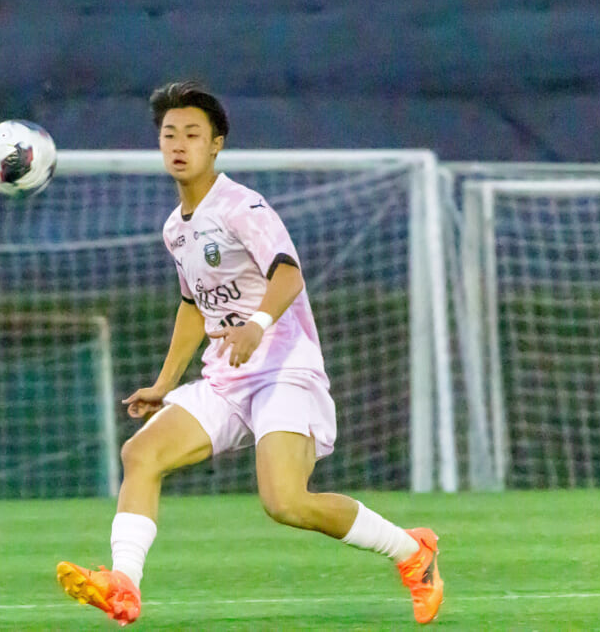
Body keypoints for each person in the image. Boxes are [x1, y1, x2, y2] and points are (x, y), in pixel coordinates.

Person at [56, 81, 443, 626]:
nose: (179, 144)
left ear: (216, 144)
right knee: (141, 454)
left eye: (192, 134)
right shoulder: (175, 229)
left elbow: (287, 274)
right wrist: (165, 383)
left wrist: (257, 326)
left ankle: (411, 550)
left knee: (285, 502)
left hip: (283, 370)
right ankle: (124, 585)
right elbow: (194, 306)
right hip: (228, 377)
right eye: (169, 134)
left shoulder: (243, 206)